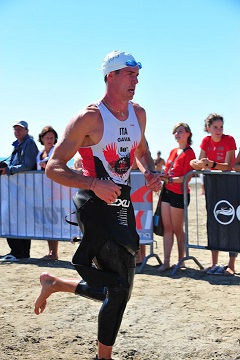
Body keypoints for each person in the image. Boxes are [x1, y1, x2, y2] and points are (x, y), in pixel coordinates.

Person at [34, 50, 162, 360]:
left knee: (120, 288)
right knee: (118, 290)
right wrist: (93, 183)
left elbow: (141, 150)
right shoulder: (89, 117)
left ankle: (57, 284)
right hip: (93, 203)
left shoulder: (138, 114)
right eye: (130, 74)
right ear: (111, 76)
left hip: (120, 203)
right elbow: (54, 166)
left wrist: (149, 173)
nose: (136, 79)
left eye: (137, 74)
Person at [190, 113, 237, 276]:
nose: (218, 130)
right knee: (213, 221)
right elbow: (199, 162)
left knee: (232, 222)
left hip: (230, 185)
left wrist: (211, 164)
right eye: (215, 127)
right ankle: (214, 263)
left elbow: (229, 166)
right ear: (208, 128)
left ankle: (231, 265)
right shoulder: (205, 141)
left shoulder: (229, 139)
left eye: (221, 127)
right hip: (212, 186)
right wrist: (194, 163)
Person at [158, 123, 196, 272]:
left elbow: (188, 176)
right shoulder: (173, 151)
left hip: (179, 193)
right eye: (175, 132)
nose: (177, 134)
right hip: (167, 191)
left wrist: (171, 180)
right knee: (167, 228)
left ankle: (181, 260)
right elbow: (168, 171)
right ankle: (166, 261)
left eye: (180, 131)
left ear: (188, 134)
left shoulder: (190, 153)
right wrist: (163, 177)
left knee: (177, 228)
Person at [0, 120, 38, 262]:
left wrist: (8, 170)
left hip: (22, 190)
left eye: (20, 129)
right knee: (18, 221)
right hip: (17, 189)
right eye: (15, 129)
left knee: (12, 219)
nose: (17, 131)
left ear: (27, 131)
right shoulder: (18, 145)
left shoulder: (29, 143)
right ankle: (21, 253)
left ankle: (18, 252)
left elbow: (28, 165)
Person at [37, 125, 59, 260]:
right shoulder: (39, 152)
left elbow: (58, 165)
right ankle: (51, 252)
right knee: (47, 221)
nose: (50, 140)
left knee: (53, 221)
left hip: (54, 190)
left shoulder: (56, 150)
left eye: (52, 137)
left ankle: (54, 253)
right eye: (47, 137)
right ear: (42, 139)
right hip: (42, 190)